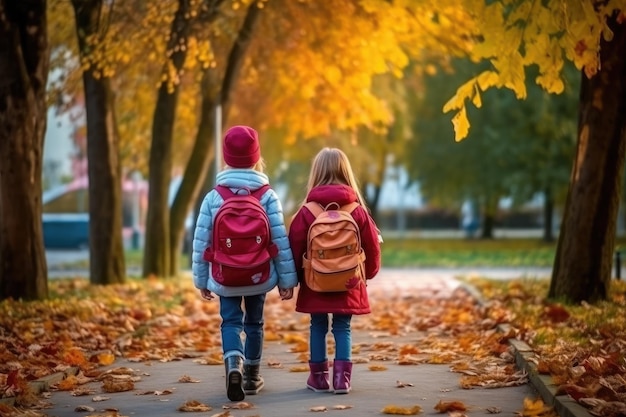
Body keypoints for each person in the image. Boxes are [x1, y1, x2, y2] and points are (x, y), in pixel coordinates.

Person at [192, 125, 298, 401]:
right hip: (258, 275)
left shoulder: (214, 197)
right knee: (254, 323)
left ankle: (233, 364)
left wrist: (201, 279)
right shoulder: (267, 196)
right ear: (256, 158)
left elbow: (202, 242)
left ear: (226, 159)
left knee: (230, 322)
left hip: (224, 275)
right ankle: (251, 377)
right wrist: (287, 281)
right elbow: (280, 240)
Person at [288, 147, 381, 394]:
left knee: (317, 326)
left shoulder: (307, 212)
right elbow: (372, 248)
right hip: (348, 281)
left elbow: (294, 247)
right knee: (343, 327)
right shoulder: (357, 211)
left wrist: (296, 279)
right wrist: (367, 274)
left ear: (315, 173)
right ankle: (342, 380)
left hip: (314, 280)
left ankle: (318, 379)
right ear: (346, 172)